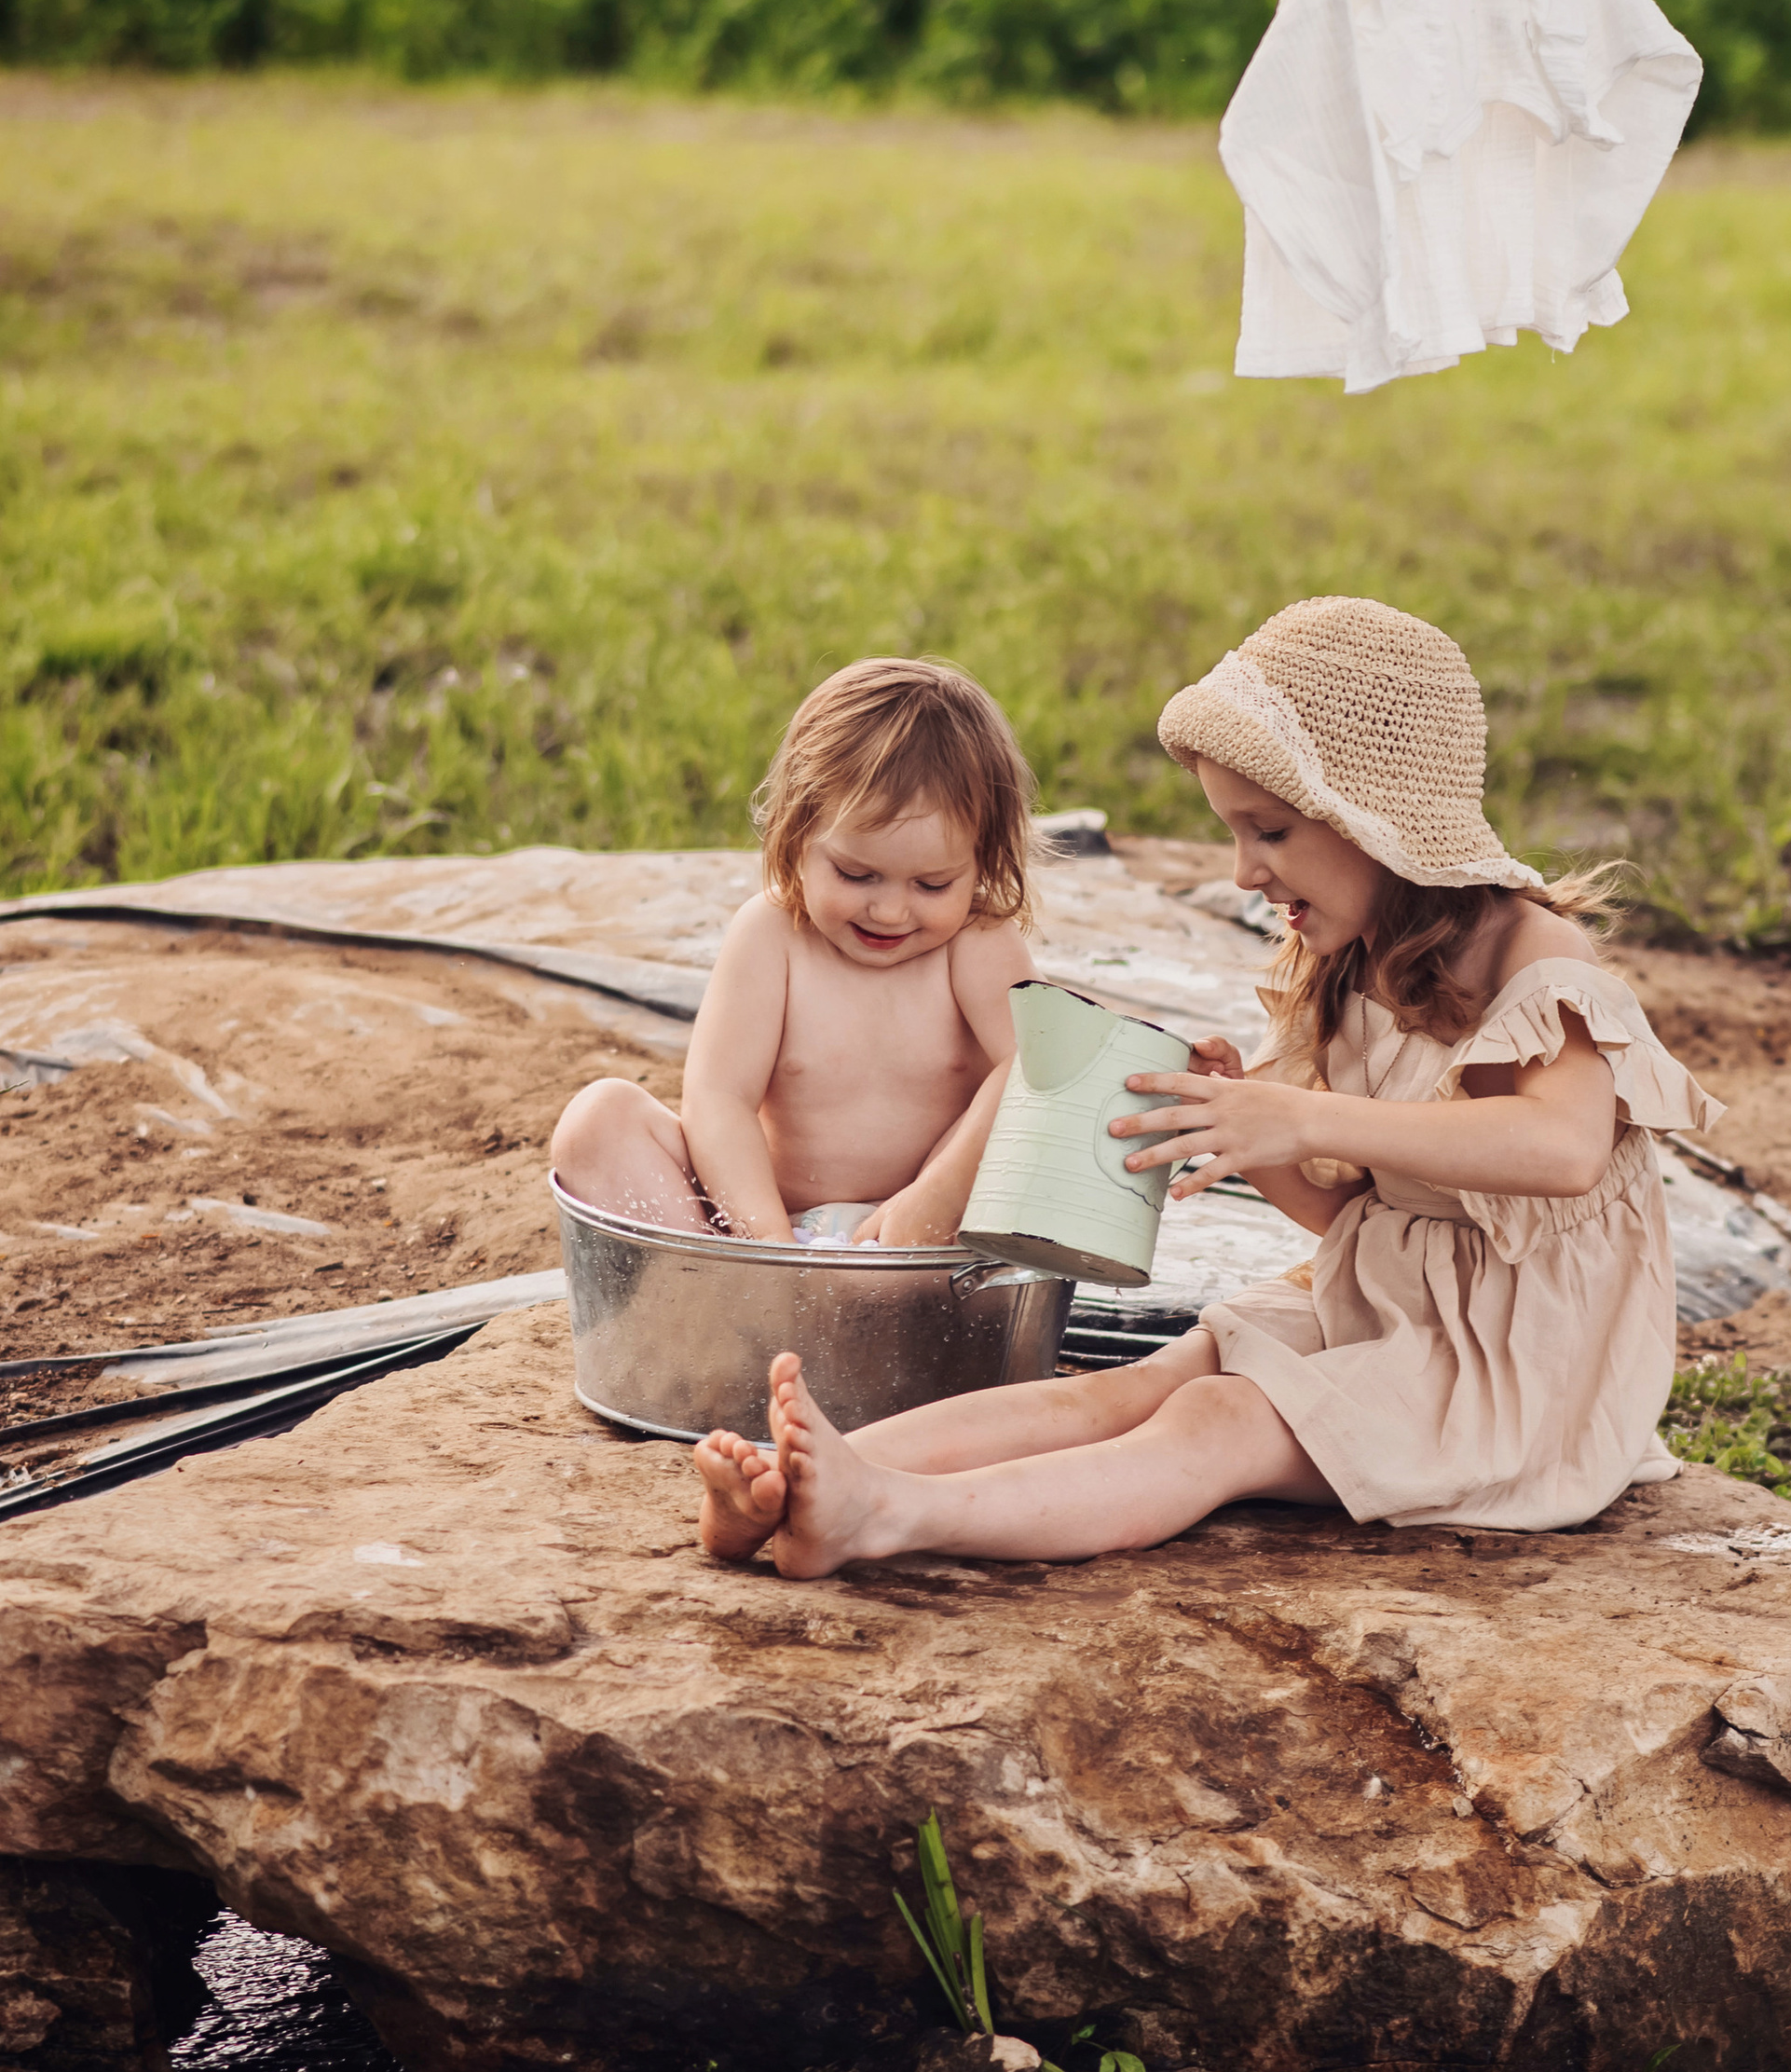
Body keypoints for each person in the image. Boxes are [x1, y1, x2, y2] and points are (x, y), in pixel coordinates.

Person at [695, 596, 1721, 1579]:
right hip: (1385, 1305)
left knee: (1216, 1422)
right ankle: (804, 1480)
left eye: (1268, 832)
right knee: (1144, 1385)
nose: (1241, 872)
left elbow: (1563, 1150)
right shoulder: (1353, 961)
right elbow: (1361, 1217)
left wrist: (1300, 1114)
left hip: (1514, 1375)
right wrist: (1246, 1140)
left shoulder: (1537, 958)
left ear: (1375, 818)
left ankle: (886, 1515)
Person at [553, 658, 1039, 1249]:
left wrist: (937, 1194)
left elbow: (1038, 1066)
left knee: (1051, 1109)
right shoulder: (772, 934)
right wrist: (767, 1243)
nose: (888, 911)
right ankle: (728, 1294)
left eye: (932, 885)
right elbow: (720, 1099)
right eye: (856, 874)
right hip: (772, 1231)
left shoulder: (977, 941)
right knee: (597, 1119)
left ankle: (781, 1303)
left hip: (930, 1239)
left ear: (982, 862)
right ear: (797, 834)